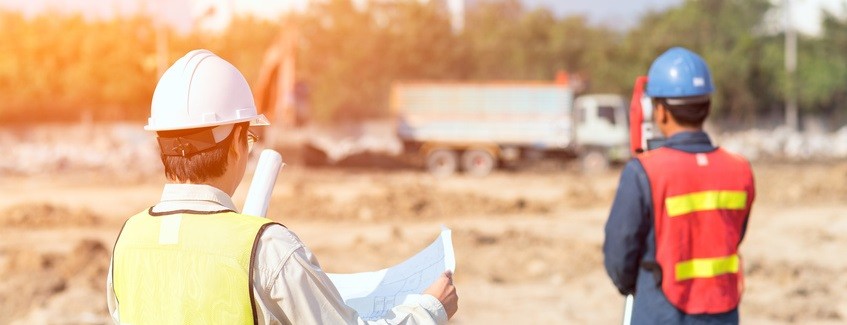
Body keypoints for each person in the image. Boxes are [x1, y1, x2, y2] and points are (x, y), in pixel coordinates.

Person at [106, 49, 458, 324]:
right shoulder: (267, 247)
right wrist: (429, 310)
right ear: (237, 143)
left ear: (159, 144)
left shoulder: (127, 240)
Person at [603, 47, 755, 324]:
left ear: (659, 111)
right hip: (723, 310)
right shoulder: (740, 169)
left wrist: (632, 285)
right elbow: (734, 233)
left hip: (662, 311)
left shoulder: (643, 172)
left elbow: (619, 254)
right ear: (707, 106)